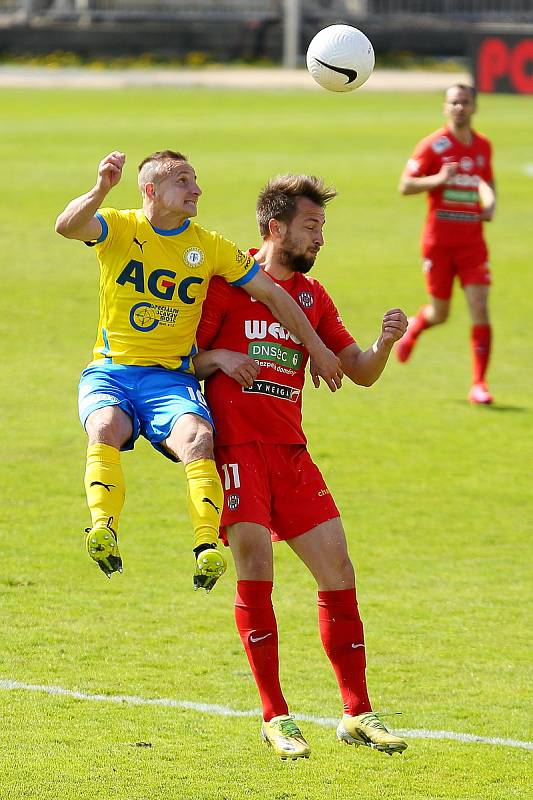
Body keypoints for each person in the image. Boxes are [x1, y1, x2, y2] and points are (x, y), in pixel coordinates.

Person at [55, 151, 343, 590]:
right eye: (184, 181)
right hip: (112, 370)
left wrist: (317, 347)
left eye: (195, 180)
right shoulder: (121, 227)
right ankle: (102, 527)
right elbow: (68, 226)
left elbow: (274, 295)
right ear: (151, 190)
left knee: (200, 438)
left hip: (171, 377)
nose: (196, 190)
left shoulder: (209, 246)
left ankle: (206, 547)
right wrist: (100, 189)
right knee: (105, 426)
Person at [193, 174, 408, 759]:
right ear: (274, 227)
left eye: (322, 228)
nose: (319, 238)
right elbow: (176, 358)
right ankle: (274, 714)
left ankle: (357, 712)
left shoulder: (314, 298)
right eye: (311, 226)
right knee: (256, 567)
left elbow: (357, 370)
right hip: (238, 453)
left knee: (338, 569)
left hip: (291, 453)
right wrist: (217, 356)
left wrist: (385, 342)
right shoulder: (226, 286)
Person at [397, 83, 496, 405]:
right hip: (439, 244)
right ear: (445, 107)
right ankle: (415, 327)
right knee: (440, 313)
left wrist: (490, 203)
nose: (459, 108)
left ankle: (479, 384)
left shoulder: (483, 147)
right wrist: (437, 180)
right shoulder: (433, 146)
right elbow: (405, 185)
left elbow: (485, 182)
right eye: (454, 102)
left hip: (472, 245)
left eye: (465, 102)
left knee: (480, 309)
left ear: (474, 108)